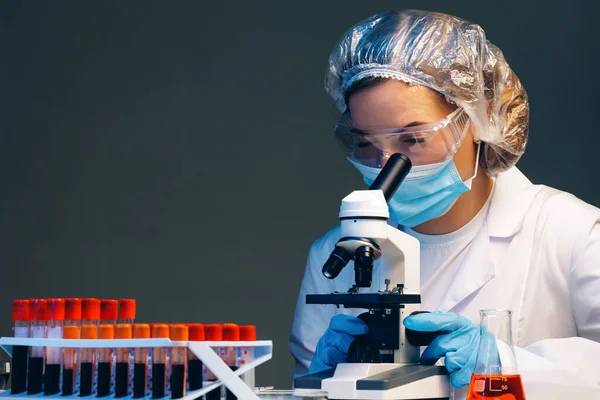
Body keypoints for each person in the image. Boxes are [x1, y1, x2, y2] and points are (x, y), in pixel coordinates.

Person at [289, 9, 600, 395]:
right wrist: (325, 386)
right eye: (367, 144)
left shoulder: (572, 233)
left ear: (479, 118)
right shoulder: (332, 254)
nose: (384, 167)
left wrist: (503, 367)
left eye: (413, 140)